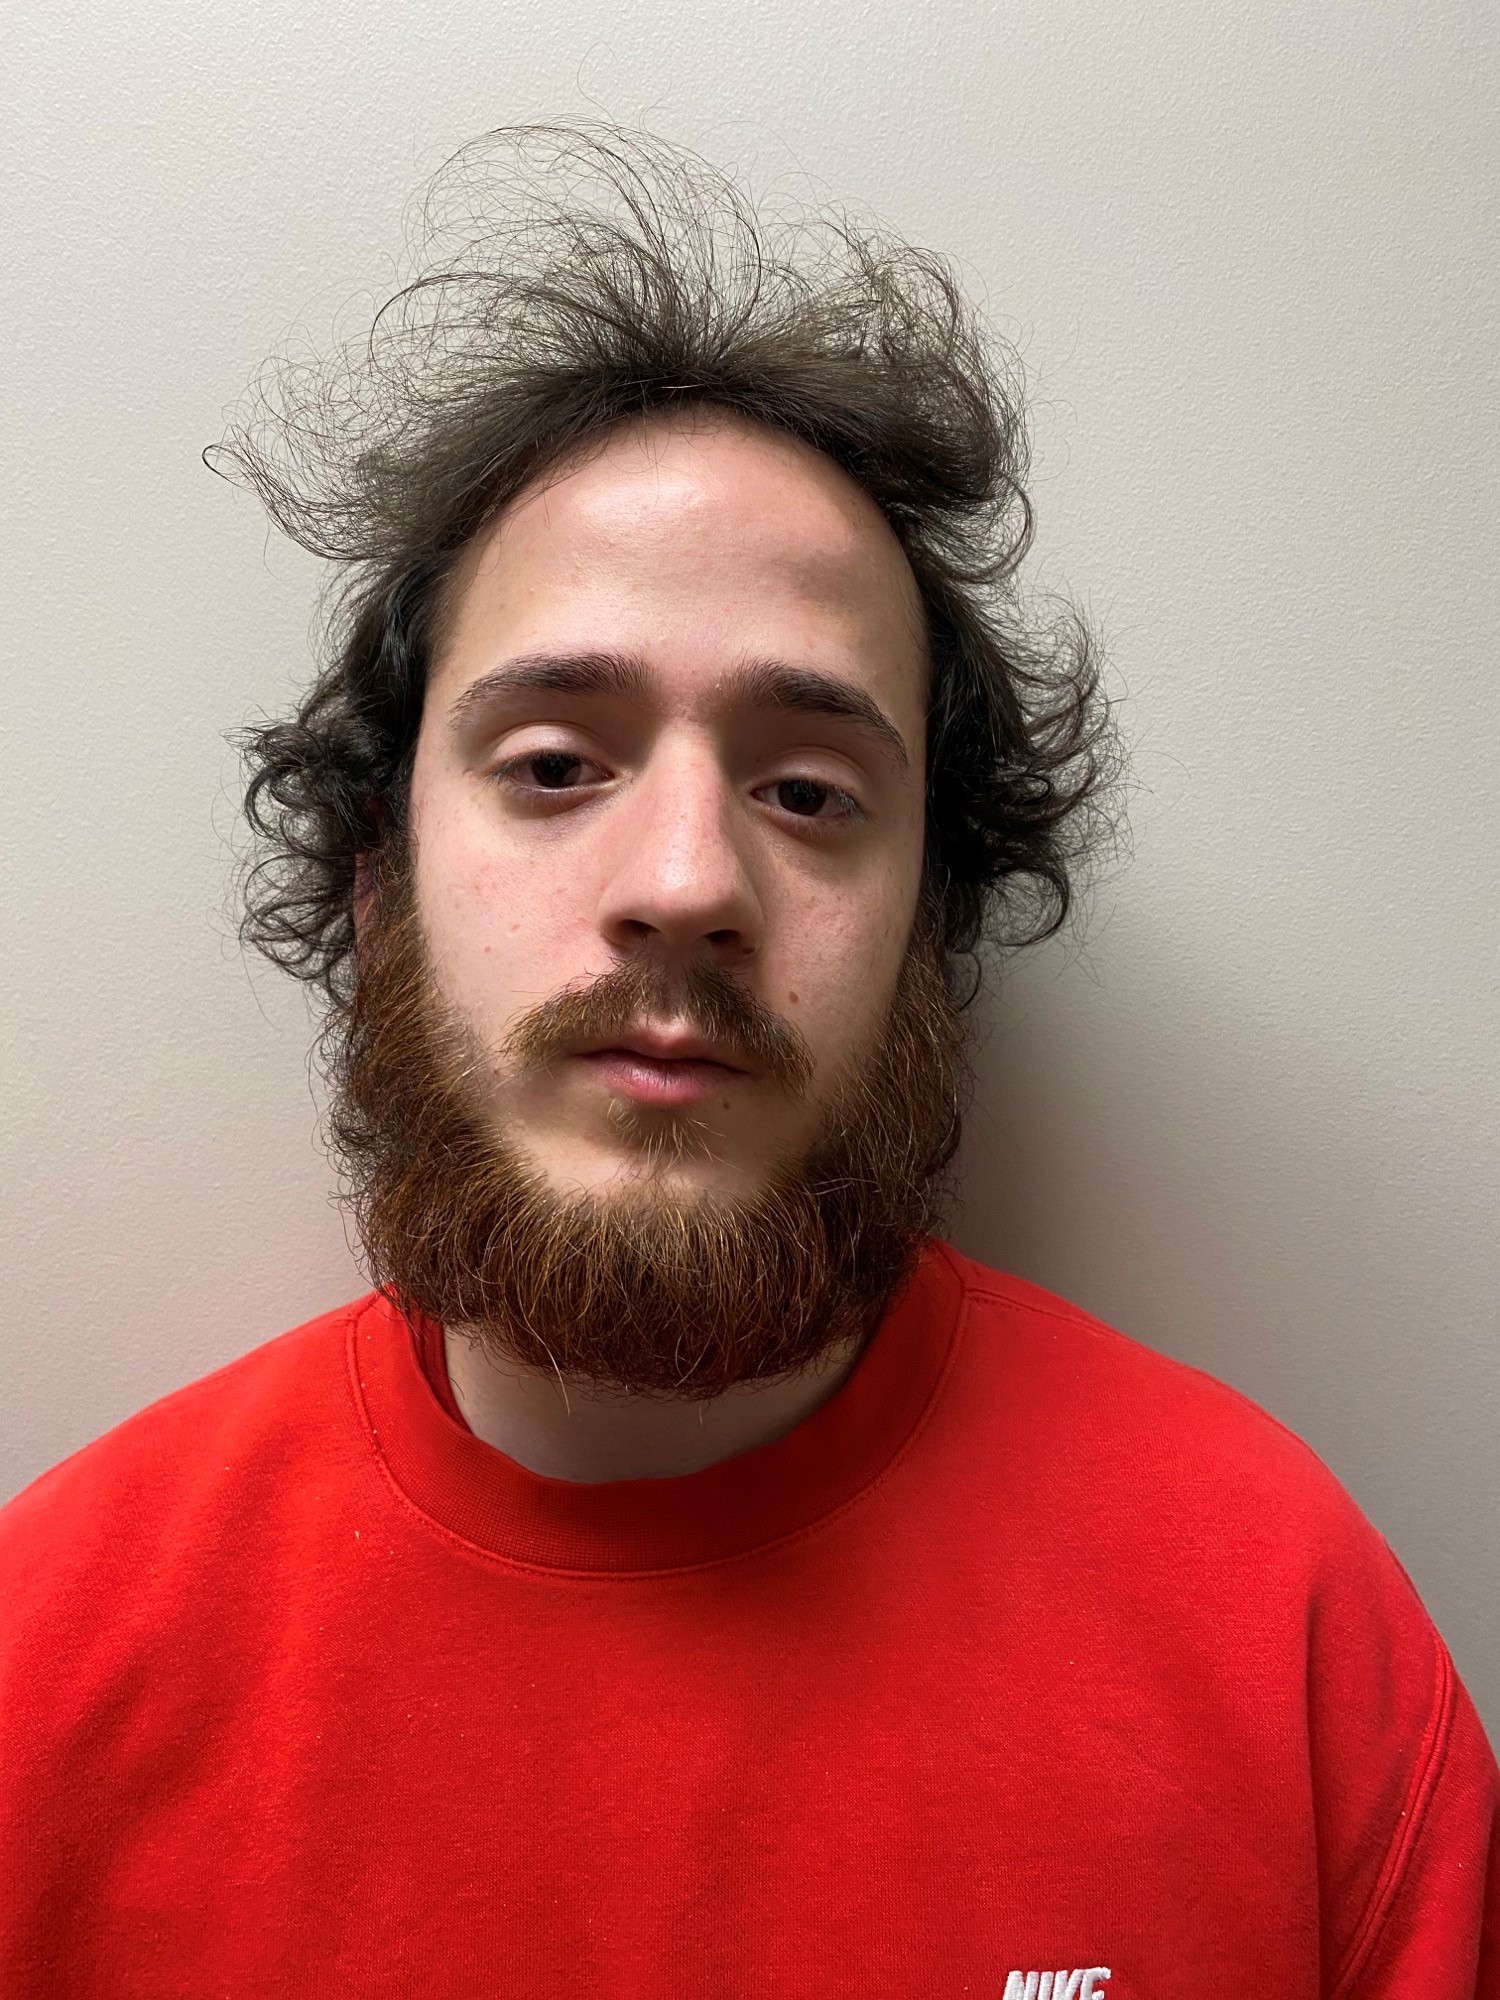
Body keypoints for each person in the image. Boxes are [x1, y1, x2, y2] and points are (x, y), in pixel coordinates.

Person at [1, 124, 1494, 1997]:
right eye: (557, 764)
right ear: (378, 892)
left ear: (932, 927)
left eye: (806, 790)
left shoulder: (1288, 1639)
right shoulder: (45, 1678)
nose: (689, 883)